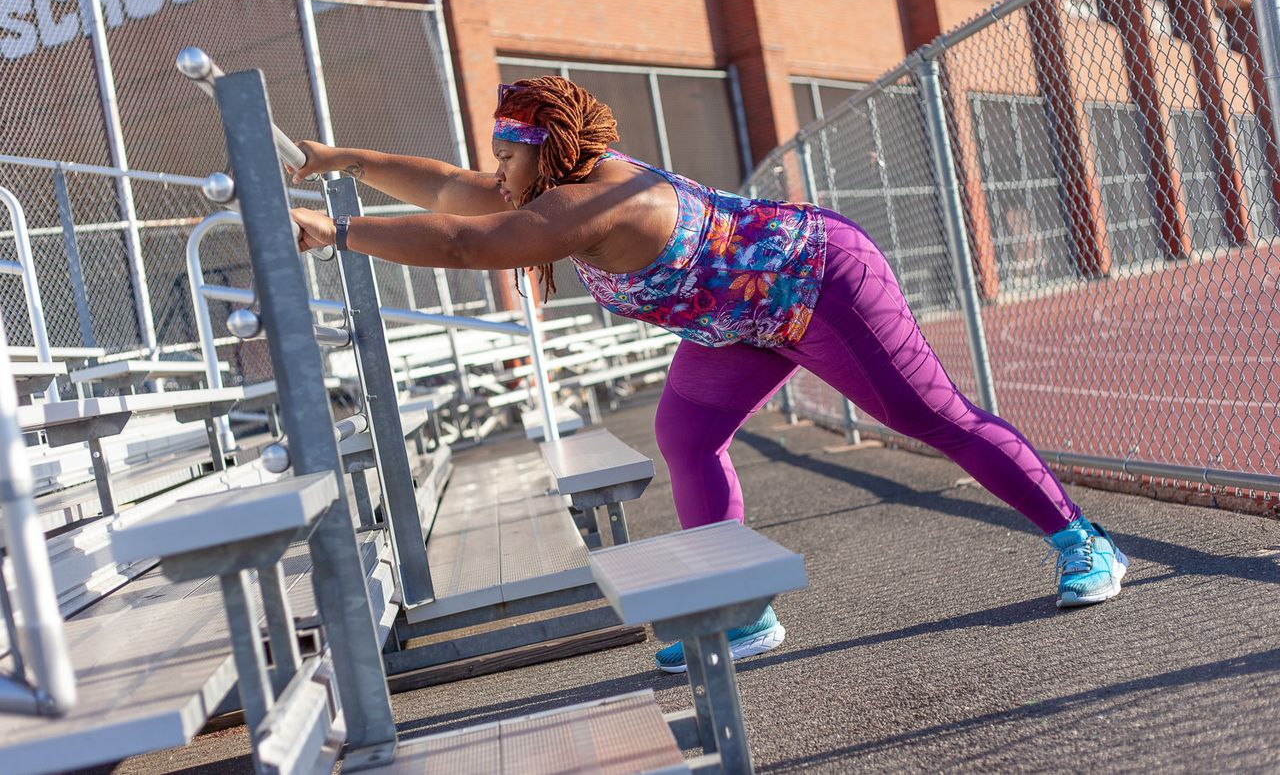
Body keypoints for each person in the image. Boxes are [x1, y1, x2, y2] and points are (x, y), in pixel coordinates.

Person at [289, 77, 1127, 674]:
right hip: (739, 321)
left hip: (817, 282)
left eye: (506, 154)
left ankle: (1083, 540)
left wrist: (338, 232)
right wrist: (342, 159)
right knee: (686, 434)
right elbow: (458, 191)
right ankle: (742, 609)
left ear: (545, 153)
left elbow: (465, 242)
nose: (495, 171)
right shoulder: (552, 186)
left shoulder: (594, 202)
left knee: (931, 417)